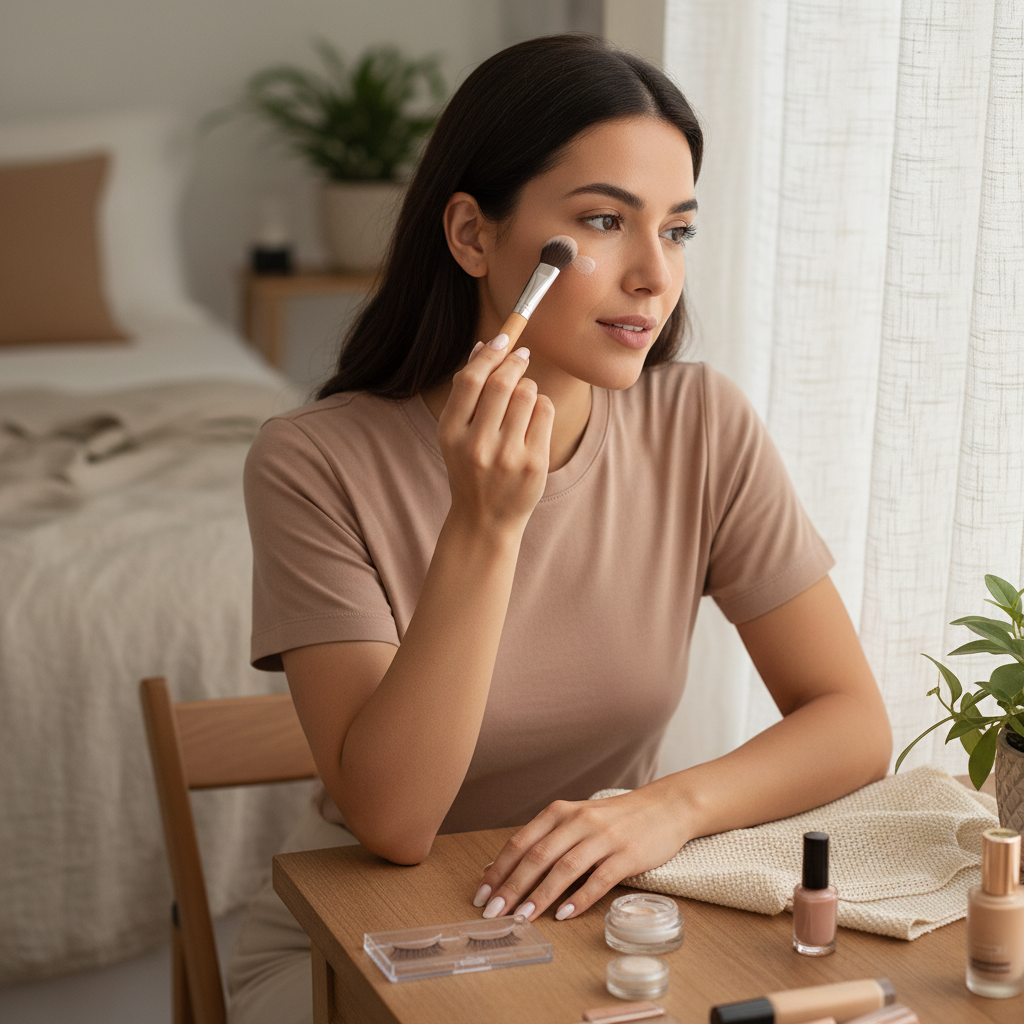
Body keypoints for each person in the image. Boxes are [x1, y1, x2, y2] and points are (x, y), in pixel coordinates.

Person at [227, 33, 892, 1024]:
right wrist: (486, 528)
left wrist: (662, 808)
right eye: (602, 221)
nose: (652, 275)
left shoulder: (698, 422)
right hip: (370, 934)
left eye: (676, 230)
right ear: (472, 236)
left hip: (599, 915)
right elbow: (396, 820)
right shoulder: (311, 462)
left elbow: (851, 720)